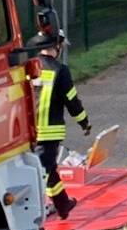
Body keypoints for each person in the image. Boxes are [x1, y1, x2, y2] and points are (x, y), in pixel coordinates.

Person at [32, 33, 91, 219]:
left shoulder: (28, 66)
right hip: (49, 132)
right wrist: (84, 123)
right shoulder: (60, 70)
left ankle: (62, 204)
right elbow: (71, 100)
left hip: (27, 131)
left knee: (45, 169)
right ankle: (38, 215)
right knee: (43, 171)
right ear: (57, 46)